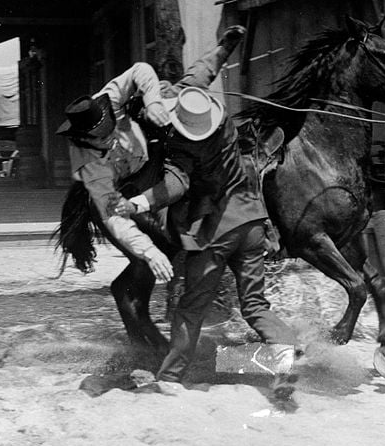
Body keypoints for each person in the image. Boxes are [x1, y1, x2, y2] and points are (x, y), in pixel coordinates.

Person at [115, 85, 297, 389]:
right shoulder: (224, 123)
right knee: (254, 304)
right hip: (251, 222)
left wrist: (136, 203)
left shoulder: (184, 149)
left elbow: (175, 185)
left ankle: (171, 377)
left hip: (214, 234)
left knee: (190, 309)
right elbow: (202, 73)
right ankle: (283, 346)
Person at [56, 26, 246, 282]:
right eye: (102, 135)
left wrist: (153, 102)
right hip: (140, 174)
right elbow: (114, 218)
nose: (110, 134)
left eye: (110, 125)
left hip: (147, 129)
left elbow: (140, 70)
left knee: (188, 88)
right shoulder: (92, 169)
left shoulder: (107, 100)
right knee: (174, 213)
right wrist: (149, 252)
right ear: (84, 138)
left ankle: (222, 50)